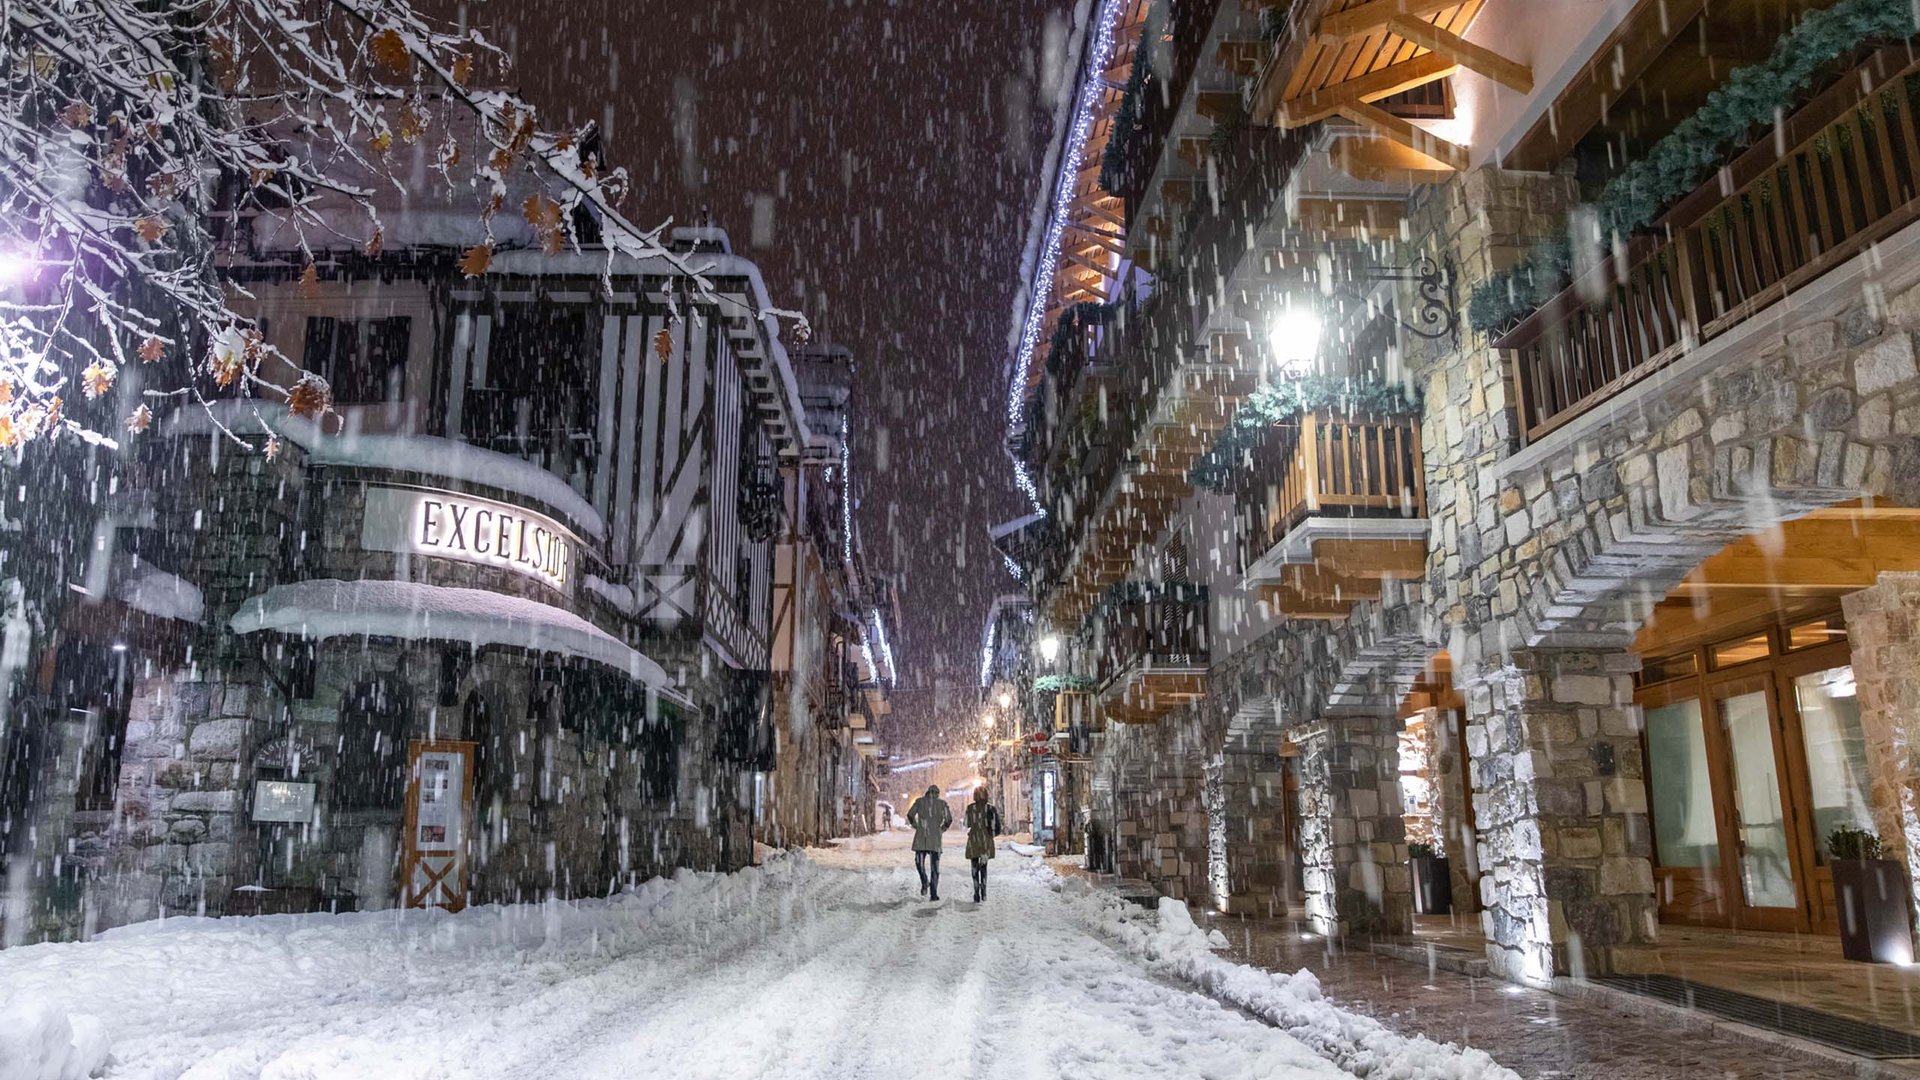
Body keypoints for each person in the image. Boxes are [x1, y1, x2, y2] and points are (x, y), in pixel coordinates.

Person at [906, 785, 952, 900]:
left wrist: (917, 826)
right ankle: (933, 893)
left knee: (919, 863)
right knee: (935, 867)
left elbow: (910, 815)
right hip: (935, 838)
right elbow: (949, 819)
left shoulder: (920, 802)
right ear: (937, 793)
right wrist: (941, 829)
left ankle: (925, 881)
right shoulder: (942, 804)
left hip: (921, 836)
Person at [964, 786, 1002, 902]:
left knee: (974, 866)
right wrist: (991, 835)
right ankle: (983, 891)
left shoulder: (970, 808)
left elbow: (966, 823)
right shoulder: (991, 809)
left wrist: (975, 825)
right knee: (984, 866)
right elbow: (997, 827)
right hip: (986, 840)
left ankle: (976, 891)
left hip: (974, 840)